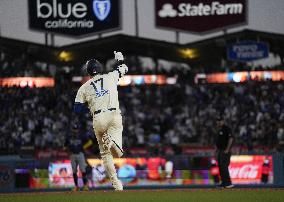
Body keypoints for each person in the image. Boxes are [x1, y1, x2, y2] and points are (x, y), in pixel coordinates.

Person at [73, 51, 128, 191]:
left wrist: (90, 108)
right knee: (117, 153)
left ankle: (117, 185)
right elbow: (124, 68)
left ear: (89, 72)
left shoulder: (83, 87)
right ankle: (112, 143)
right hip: (114, 114)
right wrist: (120, 60)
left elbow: (77, 109)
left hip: (98, 118)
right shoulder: (110, 76)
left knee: (105, 154)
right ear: (100, 68)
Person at [64, 124, 89, 191]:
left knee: (83, 170)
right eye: (74, 129)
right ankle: (76, 186)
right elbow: (65, 146)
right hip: (72, 155)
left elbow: (89, 142)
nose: (75, 130)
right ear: (72, 129)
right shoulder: (69, 137)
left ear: (78, 129)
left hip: (80, 154)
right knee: (74, 171)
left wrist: (83, 147)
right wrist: (67, 150)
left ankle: (85, 186)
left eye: (76, 129)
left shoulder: (81, 136)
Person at [215, 115, 234, 188]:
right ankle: (223, 183)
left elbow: (231, 138)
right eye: (218, 121)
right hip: (220, 151)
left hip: (225, 151)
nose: (219, 122)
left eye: (220, 120)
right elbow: (218, 141)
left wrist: (227, 149)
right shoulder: (219, 129)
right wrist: (216, 150)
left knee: (224, 167)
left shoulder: (226, 128)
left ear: (223, 121)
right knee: (220, 167)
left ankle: (228, 183)